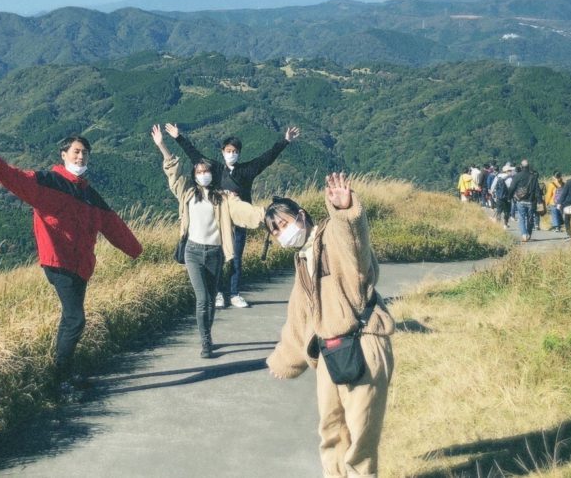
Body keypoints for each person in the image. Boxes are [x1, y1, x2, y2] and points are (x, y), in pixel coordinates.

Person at [0, 136, 143, 393]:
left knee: (70, 318)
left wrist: (136, 250)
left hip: (81, 265)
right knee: (76, 319)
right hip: (58, 261)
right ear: (63, 154)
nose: (81, 157)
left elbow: (112, 224)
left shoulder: (88, 193)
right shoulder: (49, 182)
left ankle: (65, 371)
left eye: (85, 153)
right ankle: (60, 378)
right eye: (76, 152)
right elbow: (20, 180)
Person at [266, 173, 395, 478]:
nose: (283, 232)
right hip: (330, 350)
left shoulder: (331, 238)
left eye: (285, 223)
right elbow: (299, 314)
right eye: (276, 231)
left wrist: (345, 210)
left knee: (361, 433)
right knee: (331, 429)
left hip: (363, 342)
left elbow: (355, 244)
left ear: (301, 216)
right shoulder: (304, 257)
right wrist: (286, 359)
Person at [151, 124, 265, 358]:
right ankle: (205, 341)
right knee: (203, 299)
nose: (203, 174)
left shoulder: (223, 198)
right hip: (193, 252)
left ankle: (208, 334)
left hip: (215, 253)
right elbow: (172, 169)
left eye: (206, 171)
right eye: (199, 171)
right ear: (194, 175)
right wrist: (162, 144)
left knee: (211, 300)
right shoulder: (187, 193)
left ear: (212, 174)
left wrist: (268, 216)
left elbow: (244, 211)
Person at [165, 122, 299, 309]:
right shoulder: (216, 169)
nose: (231, 154)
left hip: (240, 222)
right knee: (218, 258)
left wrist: (285, 141)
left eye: (235, 151)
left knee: (236, 259)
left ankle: (235, 294)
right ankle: (219, 293)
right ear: (222, 151)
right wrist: (178, 137)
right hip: (219, 222)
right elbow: (195, 155)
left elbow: (266, 158)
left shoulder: (247, 170)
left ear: (239, 153)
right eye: (228, 150)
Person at [506, 159, 541, 242]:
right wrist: (539, 200)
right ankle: (528, 233)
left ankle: (524, 234)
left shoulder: (517, 176)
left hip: (520, 200)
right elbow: (537, 189)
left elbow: (512, 188)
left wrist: (509, 197)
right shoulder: (533, 176)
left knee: (522, 218)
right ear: (528, 167)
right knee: (530, 218)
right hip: (531, 201)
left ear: (521, 167)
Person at [490, 163, 513, 228]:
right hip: (507, 197)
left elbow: (493, 186)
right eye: (510, 170)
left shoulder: (498, 176)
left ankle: (498, 224)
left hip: (499, 196)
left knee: (499, 210)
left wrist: (493, 193)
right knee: (507, 211)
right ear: (507, 171)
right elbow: (511, 188)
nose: (511, 171)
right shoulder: (510, 178)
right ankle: (505, 224)